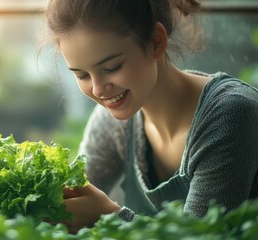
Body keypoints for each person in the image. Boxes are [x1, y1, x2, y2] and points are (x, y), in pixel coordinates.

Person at [43, 0, 258, 234]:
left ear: (156, 42)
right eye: (82, 75)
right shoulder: (113, 122)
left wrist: (107, 216)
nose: (97, 90)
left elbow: (199, 237)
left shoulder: (230, 115)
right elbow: (72, 197)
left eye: (112, 67)